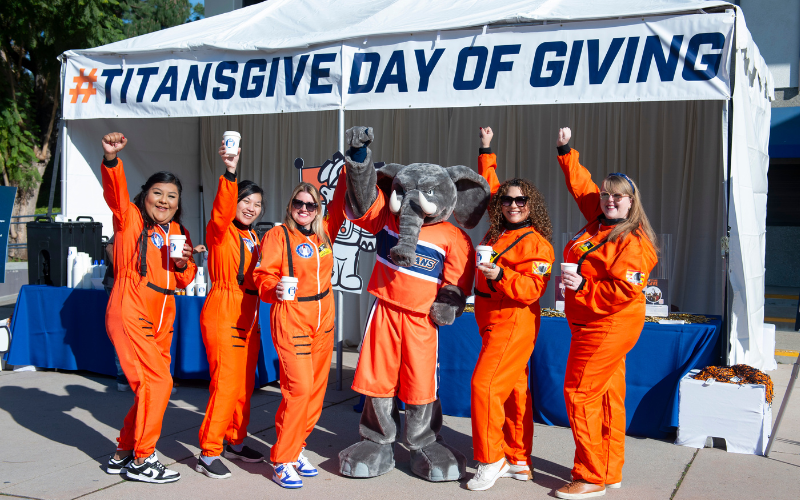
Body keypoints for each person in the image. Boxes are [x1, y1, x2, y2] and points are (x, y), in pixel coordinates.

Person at [553, 127, 658, 500]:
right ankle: (610, 470)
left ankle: (590, 475)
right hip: (589, 323)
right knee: (608, 396)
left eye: (619, 197)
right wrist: (566, 151)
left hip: (607, 324)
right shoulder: (599, 218)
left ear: (632, 203)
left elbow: (624, 290)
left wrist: (582, 287)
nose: (610, 200)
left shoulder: (633, 241)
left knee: (580, 393)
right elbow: (582, 187)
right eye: (607, 195)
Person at [100, 132, 197, 483]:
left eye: (172, 196)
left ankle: (124, 450)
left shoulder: (178, 231)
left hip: (162, 317)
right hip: (131, 306)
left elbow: (184, 281)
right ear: (145, 194)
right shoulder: (130, 219)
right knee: (159, 383)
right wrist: (112, 160)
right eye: (158, 192)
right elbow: (116, 194)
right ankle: (143, 459)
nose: (164, 200)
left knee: (150, 387)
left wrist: (186, 262)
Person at [466, 127, 555, 491]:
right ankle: (518, 458)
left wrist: (500, 274)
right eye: (508, 201)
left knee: (484, 387)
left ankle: (491, 458)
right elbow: (491, 187)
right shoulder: (496, 230)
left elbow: (532, 290)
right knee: (515, 391)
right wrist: (486, 150)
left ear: (531, 205)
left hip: (513, 321)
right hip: (490, 319)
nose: (512, 205)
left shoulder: (537, 245)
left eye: (521, 201)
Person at [253, 177, 347, 488]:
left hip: (323, 322)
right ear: (290, 206)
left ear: (318, 210)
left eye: (310, 205)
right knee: (300, 391)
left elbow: (342, 204)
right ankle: (281, 459)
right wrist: (274, 287)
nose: (304, 209)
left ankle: (296, 448)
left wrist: (353, 165)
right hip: (292, 318)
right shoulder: (278, 236)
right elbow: (262, 275)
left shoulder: (323, 235)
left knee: (316, 395)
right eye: (298, 203)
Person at [195, 141, 265, 479]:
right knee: (226, 383)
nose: (251, 208)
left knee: (244, 384)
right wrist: (230, 172)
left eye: (257, 204)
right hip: (225, 306)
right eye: (246, 201)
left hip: (250, 311)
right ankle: (209, 451)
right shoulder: (220, 230)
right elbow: (222, 209)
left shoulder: (254, 236)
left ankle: (235, 439)